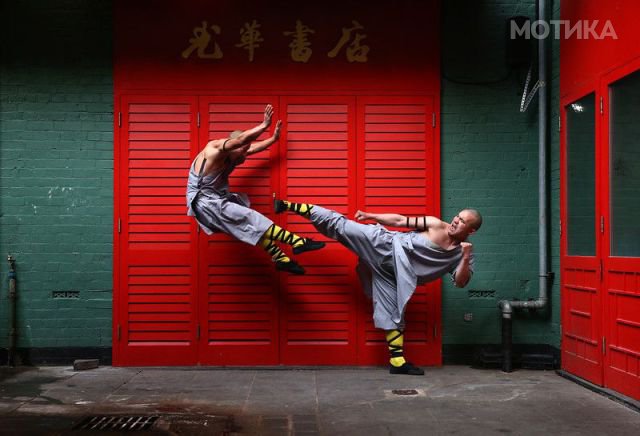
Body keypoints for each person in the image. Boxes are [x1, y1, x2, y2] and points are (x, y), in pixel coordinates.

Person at [273, 198, 482, 375]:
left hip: (393, 275)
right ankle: (288, 205)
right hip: (383, 245)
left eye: (463, 222)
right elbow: (400, 220)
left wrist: (464, 256)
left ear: (471, 231)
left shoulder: (464, 255)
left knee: (394, 313)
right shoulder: (436, 224)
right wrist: (371, 215)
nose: (456, 221)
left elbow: (461, 282)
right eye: (458, 216)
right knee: (340, 225)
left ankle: (397, 362)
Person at [187, 104, 325, 275]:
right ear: (232, 146)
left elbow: (251, 148)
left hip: (215, 199)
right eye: (242, 150)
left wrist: (273, 139)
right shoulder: (214, 149)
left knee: (249, 227)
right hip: (205, 202)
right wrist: (264, 125)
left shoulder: (236, 152)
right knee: (251, 217)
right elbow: (241, 141)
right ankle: (297, 242)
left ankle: (280, 258)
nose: (245, 154)